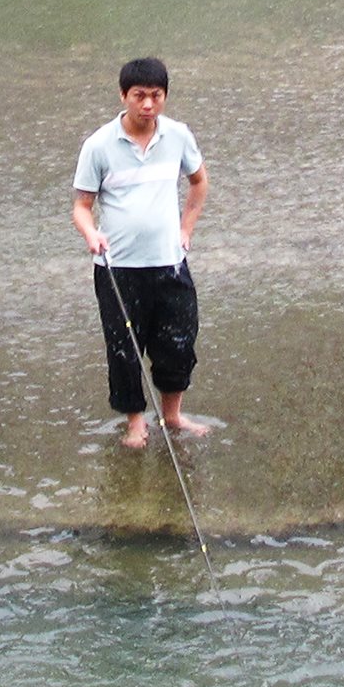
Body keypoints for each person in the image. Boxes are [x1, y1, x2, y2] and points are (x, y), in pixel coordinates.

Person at [72, 57, 211, 449]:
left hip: (169, 263)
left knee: (179, 342)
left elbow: (199, 183)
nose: (147, 105)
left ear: (164, 97)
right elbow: (81, 206)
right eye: (139, 96)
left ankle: (172, 414)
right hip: (119, 269)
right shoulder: (99, 145)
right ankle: (135, 421)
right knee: (125, 349)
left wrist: (186, 229)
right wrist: (91, 234)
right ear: (123, 96)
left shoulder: (178, 136)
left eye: (156, 96)